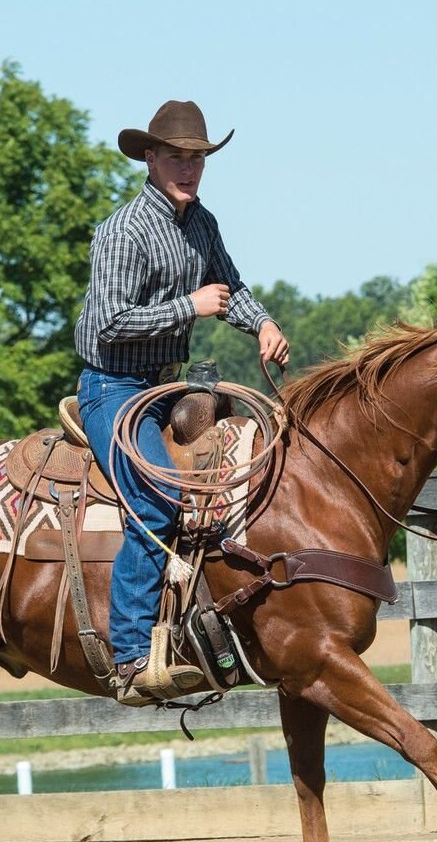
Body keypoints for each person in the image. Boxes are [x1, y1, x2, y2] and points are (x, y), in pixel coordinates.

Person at [74, 99, 289, 703]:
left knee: (245, 468)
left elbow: (231, 289)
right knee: (160, 495)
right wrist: (188, 308)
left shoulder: (203, 224)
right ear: (149, 157)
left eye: (197, 157)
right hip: (112, 388)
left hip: (168, 386)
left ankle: (207, 623)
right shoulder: (123, 232)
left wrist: (262, 324)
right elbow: (108, 324)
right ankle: (131, 657)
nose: (189, 168)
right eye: (176, 156)